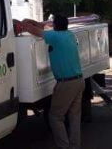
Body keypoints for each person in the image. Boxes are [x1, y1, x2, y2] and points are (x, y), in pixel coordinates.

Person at [20, 15, 83, 149]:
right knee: (74, 116)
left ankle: (63, 147)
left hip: (66, 84)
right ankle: (74, 146)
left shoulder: (55, 37)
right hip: (78, 81)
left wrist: (23, 23)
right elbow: (43, 27)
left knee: (55, 117)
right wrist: (31, 20)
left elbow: (34, 30)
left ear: (55, 26)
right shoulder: (69, 35)